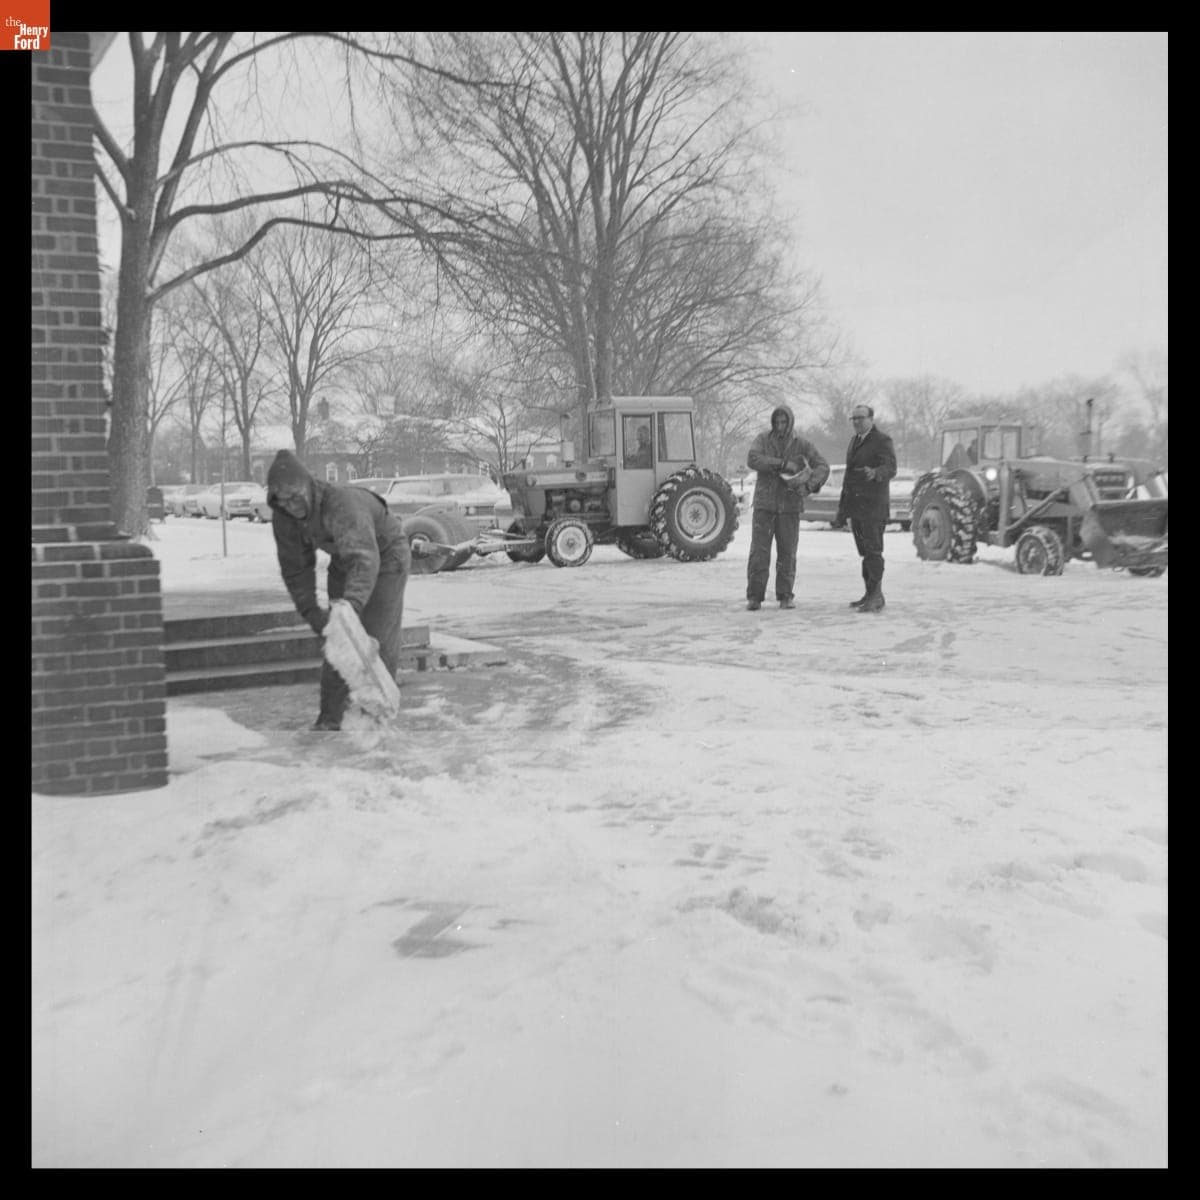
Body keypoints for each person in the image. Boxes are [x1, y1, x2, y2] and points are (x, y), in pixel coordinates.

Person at [266, 449, 412, 730]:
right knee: (337, 641)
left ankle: (375, 719)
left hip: (386, 555)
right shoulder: (284, 517)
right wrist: (313, 613)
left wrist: (351, 607)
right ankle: (331, 718)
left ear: (308, 488)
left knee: (375, 636)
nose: (290, 506)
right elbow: (296, 569)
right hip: (345, 559)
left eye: (295, 497)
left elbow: (364, 558)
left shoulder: (341, 503)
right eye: (282, 501)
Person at [745, 404, 829, 610]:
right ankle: (755, 596)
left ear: (790, 422)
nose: (780, 425)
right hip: (764, 506)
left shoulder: (802, 444)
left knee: (787, 553)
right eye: (777, 421)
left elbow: (822, 466)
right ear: (773, 422)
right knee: (759, 553)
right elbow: (753, 459)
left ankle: (785, 595)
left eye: (784, 422)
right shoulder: (762, 440)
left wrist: (809, 485)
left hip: (789, 506)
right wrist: (782, 464)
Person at [835, 405, 897, 613]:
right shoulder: (855, 441)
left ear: (871, 419)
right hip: (856, 507)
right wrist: (843, 510)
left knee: (873, 551)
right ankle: (869, 593)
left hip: (873, 507)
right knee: (865, 552)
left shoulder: (882, 440)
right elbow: (849, 477)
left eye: (860, 418)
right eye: (853, 418)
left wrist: (876, 473)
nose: (856, 422)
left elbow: (891, 467)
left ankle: (876, 595)